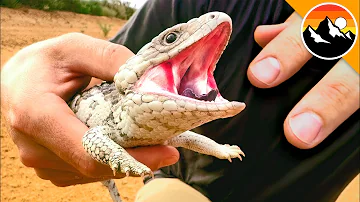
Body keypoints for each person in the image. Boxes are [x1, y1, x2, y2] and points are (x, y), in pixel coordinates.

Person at [1, 0, 358, 201]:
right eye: (174, 38)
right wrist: (21, 73)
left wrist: (221, 149)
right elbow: (76, 83)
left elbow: (186, 136)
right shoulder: (202, 1)